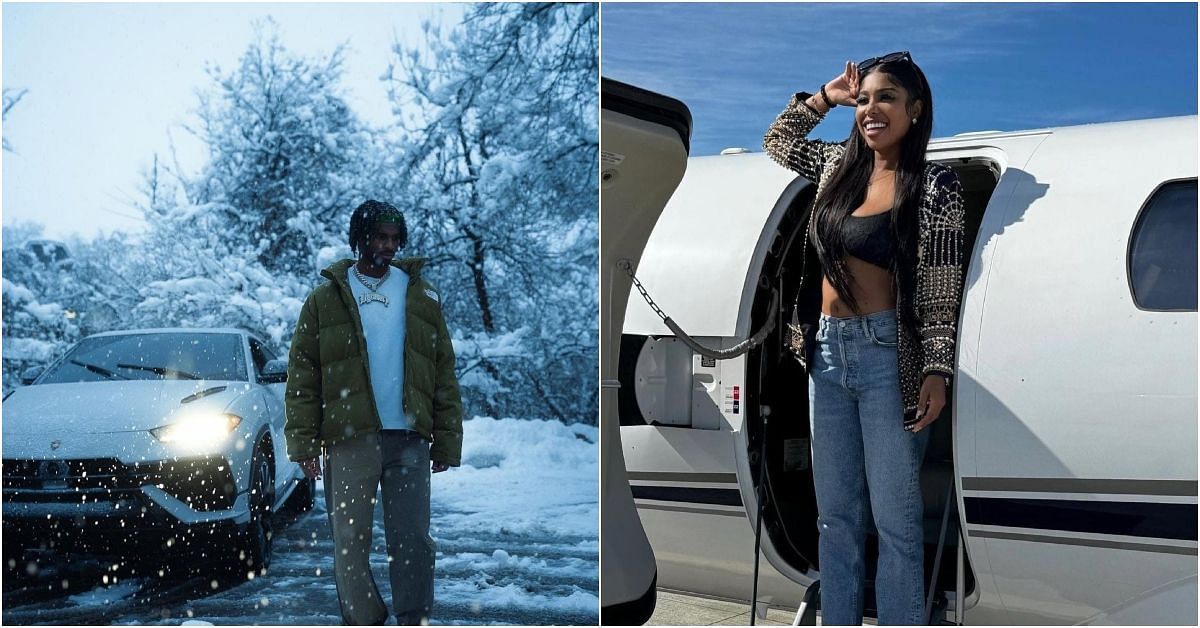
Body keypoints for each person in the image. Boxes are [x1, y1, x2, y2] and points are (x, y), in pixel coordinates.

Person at [763, 52, 966, 625]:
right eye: (867, 98)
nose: (872, 109)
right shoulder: (835, 169)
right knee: (836, 517)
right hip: (826, 353)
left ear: (915, 110)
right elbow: (777, 140)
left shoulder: (933, 184)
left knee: (896, 521)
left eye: (886, 98)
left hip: (886, 355)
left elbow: (940, 284)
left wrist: (937, 368)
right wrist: (827, 97)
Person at [284, 199, 464, 625]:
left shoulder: (420, 295)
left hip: (410, 438)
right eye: (379, 238)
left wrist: (447, 438)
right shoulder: (325, 300)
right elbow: (303, 378)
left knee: (414, 540)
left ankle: (413, 616)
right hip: (350, 439)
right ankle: (364, 619)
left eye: (394, 239)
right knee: (349, 541)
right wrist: (304, 443)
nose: (388, 246)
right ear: (360, 239)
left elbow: (442, 370)